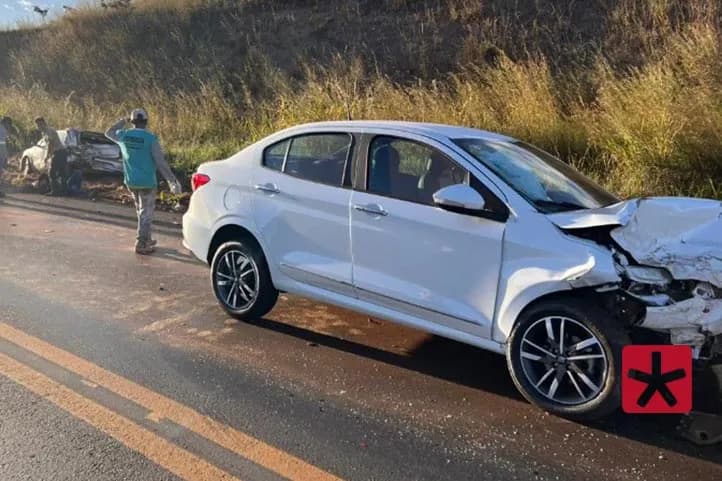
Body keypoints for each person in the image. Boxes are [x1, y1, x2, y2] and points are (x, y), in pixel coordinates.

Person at [105, 108, 182, 255]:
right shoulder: (150, 139)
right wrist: (172, 180)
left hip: (131, 181)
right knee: (146, 213)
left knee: (140, 211)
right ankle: (141, 242)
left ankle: (146, 238)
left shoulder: (123, 135)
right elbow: (160, 162)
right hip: (147, 182)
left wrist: (123, 121)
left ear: (132, 121)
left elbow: (108, 132)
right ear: (146, 121)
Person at [35, 117, 68, 196]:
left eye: (40, 124)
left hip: (59, 152)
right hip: (61, 152)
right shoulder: (44, 132)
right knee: (62, 172)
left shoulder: (49, 130)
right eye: (37, 125)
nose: (39, 126)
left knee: (52, 172)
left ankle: (55, 191)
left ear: (44, 123)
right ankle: (64, 191)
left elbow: (51, 144)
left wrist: (47, 156)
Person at [0, 116, 19, 198]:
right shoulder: (2, 129)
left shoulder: (3, 129)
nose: (9, 125)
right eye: (9, 124)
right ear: (5, 123)